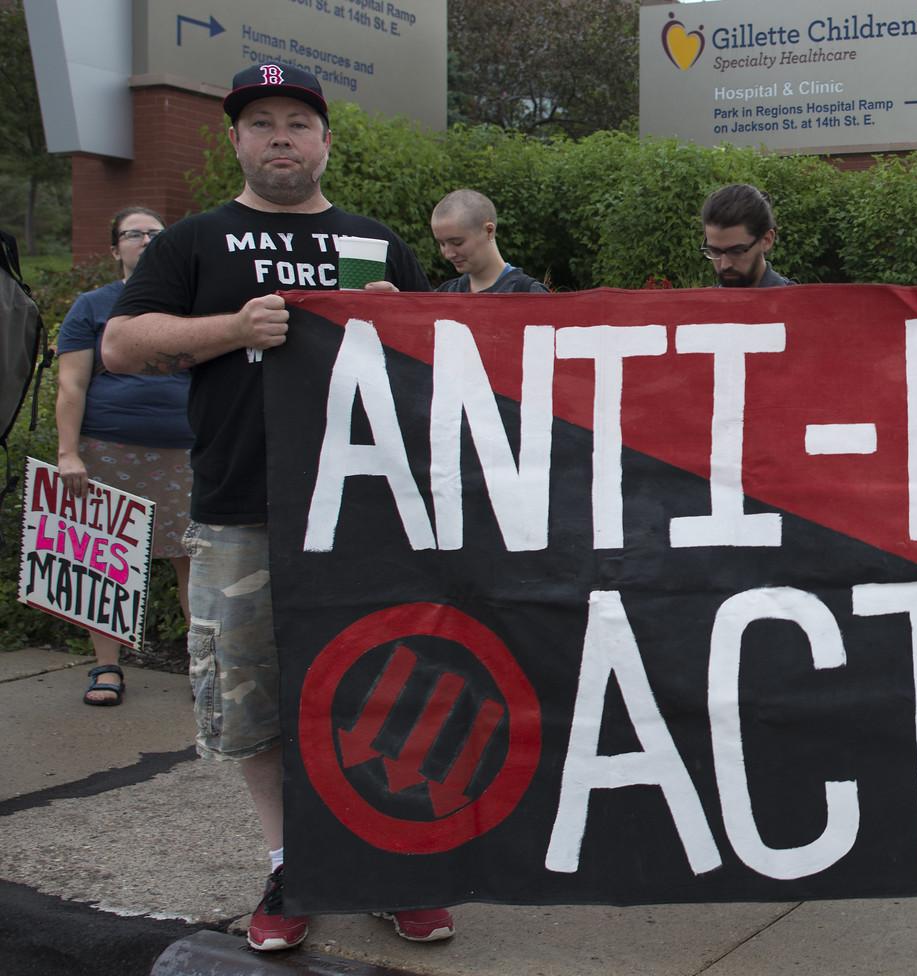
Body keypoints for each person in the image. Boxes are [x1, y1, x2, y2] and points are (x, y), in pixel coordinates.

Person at [101, 61, 444, 953]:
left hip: (368, 513)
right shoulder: (195, 244)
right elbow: (122, 344)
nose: (280, 137)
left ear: (325, 140)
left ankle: (394, 865)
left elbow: (450, 375)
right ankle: (297, 866)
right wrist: (231, 329)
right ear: (236, 142)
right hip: (240, 506)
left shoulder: (373, 242)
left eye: (297, 122)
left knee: (382, 691)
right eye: (262, 124)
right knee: (253, 704)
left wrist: (406, 326)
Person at [54, 206, 194, 707]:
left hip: (185, 451)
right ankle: (106, 668)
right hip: (105, 449)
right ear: (115, 249)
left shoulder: (192, 305)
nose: (146, 240)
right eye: (133, 234)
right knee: (104, 561)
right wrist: (68, 453)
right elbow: (70, 383)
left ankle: (204, 669)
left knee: (192, 561)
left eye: (156, 233)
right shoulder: (92, 306)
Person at [430, 189, 548, 294]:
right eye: (442, 244)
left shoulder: (529, 294)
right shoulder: (445, 294)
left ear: (489, 231)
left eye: (457, 243)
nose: (449, 254)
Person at [701, 183, 790, 288]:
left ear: (767, 240)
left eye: (736, 251)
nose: (725, 265)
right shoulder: (706, 302)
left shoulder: (796, 302)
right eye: (715, 251)